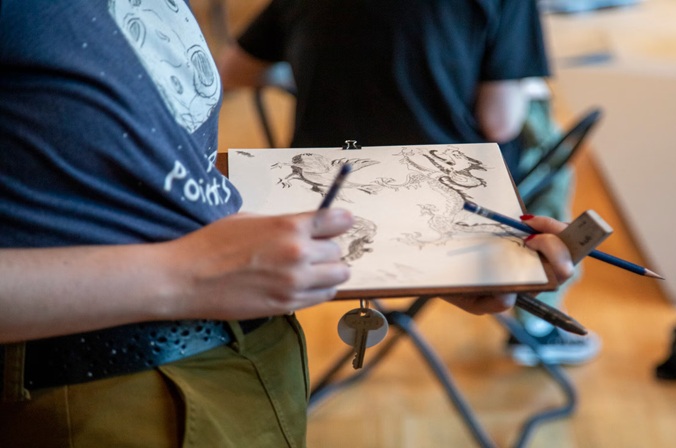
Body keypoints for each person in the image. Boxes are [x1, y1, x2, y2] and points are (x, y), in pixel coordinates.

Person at [0, 1, 575, 447]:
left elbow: (159, 178)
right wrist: (185, 275)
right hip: (105, 394)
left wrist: (426, 244)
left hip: (249, 367)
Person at [218, 0, 599, 367]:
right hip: (445, 197)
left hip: (322, 198)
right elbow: (499, 121)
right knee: (543, 144)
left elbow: (234, 72)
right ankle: (537, 325)